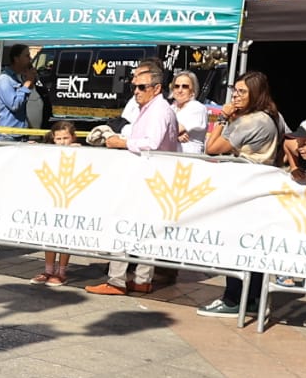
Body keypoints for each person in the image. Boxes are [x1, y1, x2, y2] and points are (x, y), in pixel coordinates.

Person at [197, 70, 286, 319]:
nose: (235, 96)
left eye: (242, 92)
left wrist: (223, 119)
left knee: (236, 245)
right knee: (253, 249)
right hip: (262, 188)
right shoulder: (274, 115)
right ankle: (253, 300)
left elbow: (212, 148)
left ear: (255, 93)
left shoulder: (252, 121)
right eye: (235, 91)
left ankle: (233, 299)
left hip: (244, 190)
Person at [86, 66, 180, 296]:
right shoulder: (153, 108)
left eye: (141, 87)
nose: (136, 91)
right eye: (134, 86)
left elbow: (153, 142)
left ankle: (117, 280)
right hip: (151, 177)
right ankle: (141, 279)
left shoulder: (158, 110)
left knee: (122, 225)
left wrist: (122, 142)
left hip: (147, 178)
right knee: (145, 229)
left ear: (156, 88)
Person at [34, 122, 80, 285]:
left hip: (71, 197)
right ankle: (48, 270)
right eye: (58, 138)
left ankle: (61, 271)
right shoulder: (50, 151)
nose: (62, 142)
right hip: (53, 196)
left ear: (72, 137)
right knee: (49, 234)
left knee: (64, 235)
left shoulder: (81, 151)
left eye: (65, 138)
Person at [0, 45, 35, 140]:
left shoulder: (20, 77)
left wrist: (31, 82)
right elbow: (14, 105)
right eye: (27, 56)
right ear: (16, 59)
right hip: (8, 135)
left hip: (21, 132)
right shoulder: (5, 79)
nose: (30, 59)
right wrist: (27, 83)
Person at [170, 70, 208, 154]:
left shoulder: (197, 108)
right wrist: (175, 135)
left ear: (193, 91)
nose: (180, 90)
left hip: (190, 158)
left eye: (185, 87)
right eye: (176, 86)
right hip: (170, 157)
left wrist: (174, 133)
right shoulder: (171, 108)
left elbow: (173, 129)